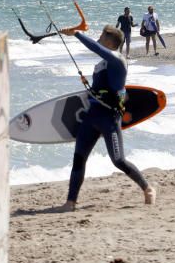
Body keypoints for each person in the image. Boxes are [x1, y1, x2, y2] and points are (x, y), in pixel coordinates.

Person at [58, 25, 155, 211]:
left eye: (101, 36)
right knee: (79, 158)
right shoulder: (101, 63)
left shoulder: (119, 60)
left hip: (109, 118)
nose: (99, 39)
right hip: (92, 116)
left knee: (118, 160)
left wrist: (77, 34)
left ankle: (147, 188)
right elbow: (97, 51)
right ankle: (70, 202)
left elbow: (95, 47)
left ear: (109, 41)